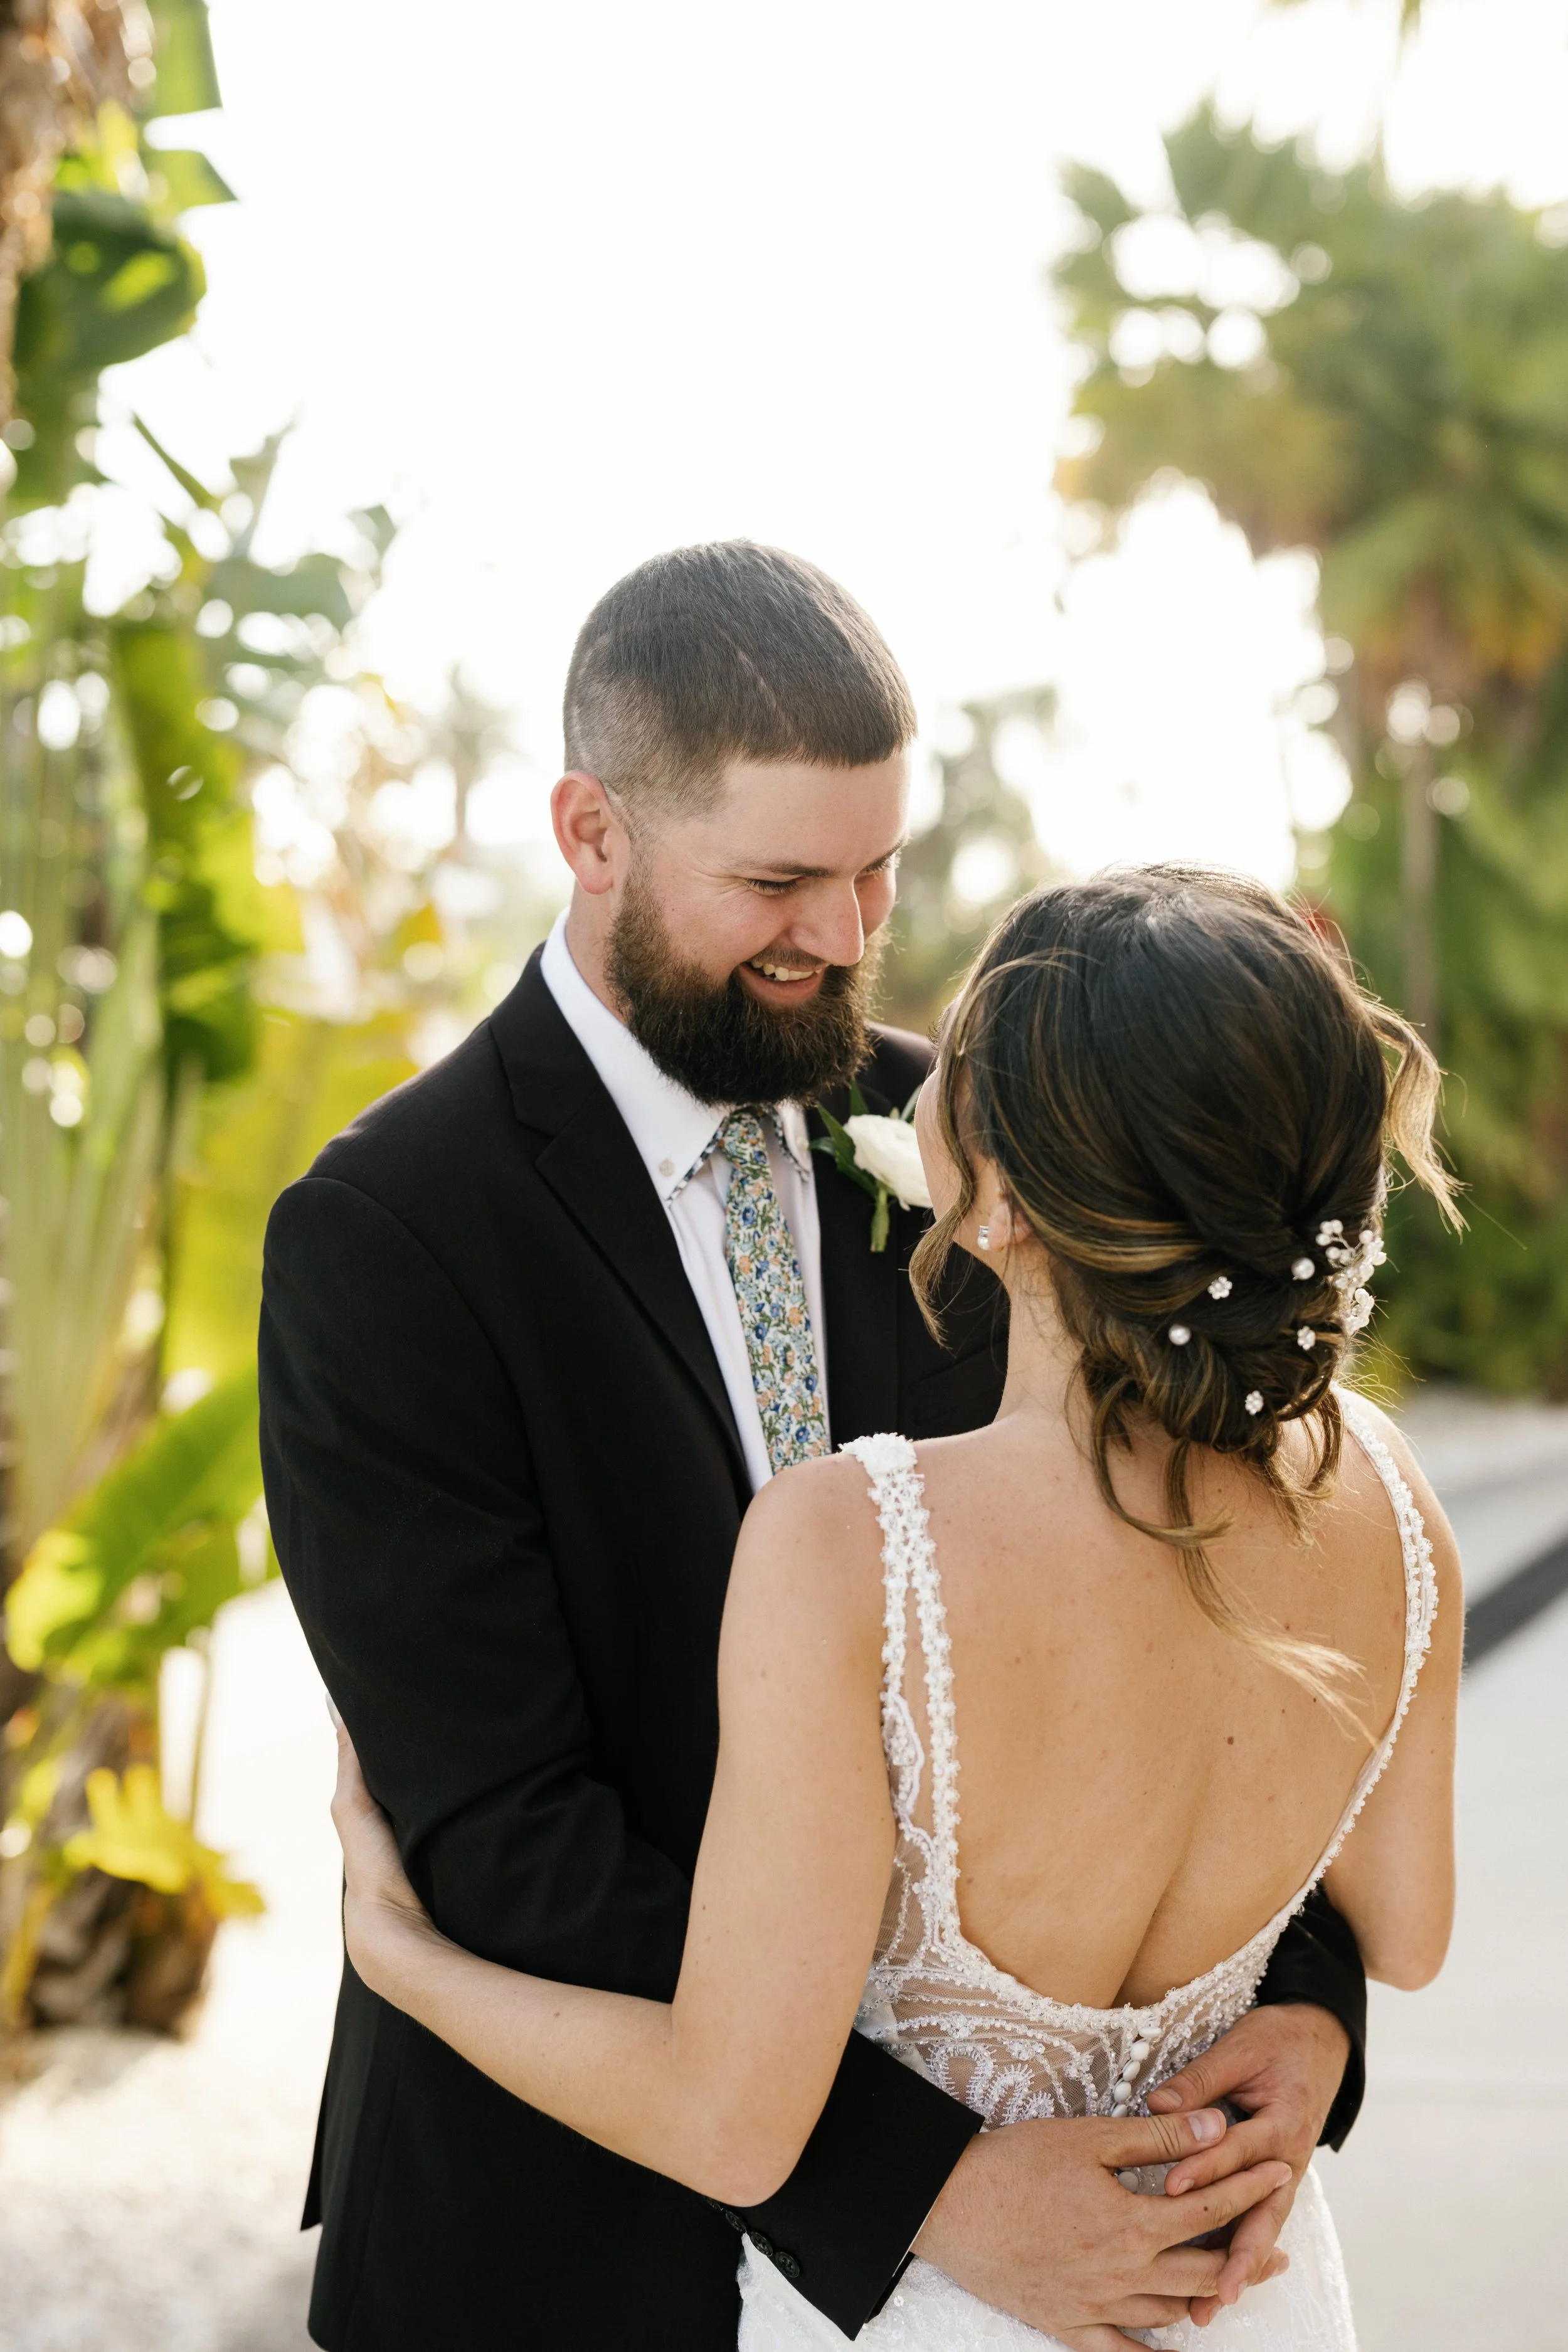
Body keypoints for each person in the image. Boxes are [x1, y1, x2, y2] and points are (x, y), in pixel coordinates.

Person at [260, 546, 1373, 2352]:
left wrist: (1306, 2006)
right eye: (777, 879)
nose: (848, 937)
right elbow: (498, 1829)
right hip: (566, 2238)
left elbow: (1211, 1587)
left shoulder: (992, 1149)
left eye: (877, 873)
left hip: (1041, 2236)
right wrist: (926, 2176)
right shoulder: (387, 1235)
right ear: (590, 830)